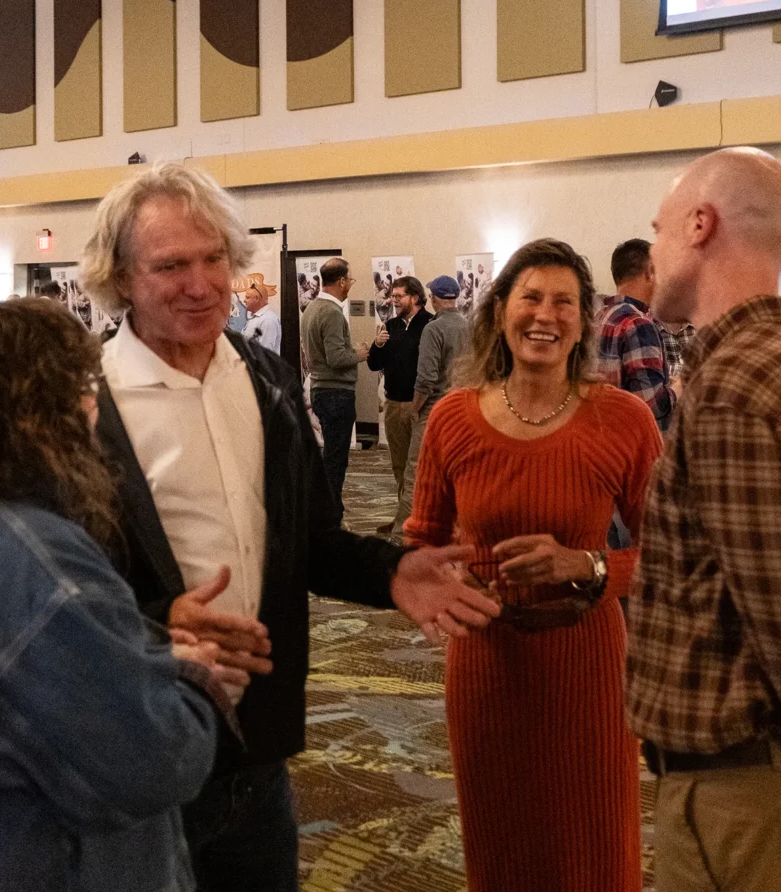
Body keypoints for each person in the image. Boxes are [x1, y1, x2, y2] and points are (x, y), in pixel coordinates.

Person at [79, 162, 500, 892]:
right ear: (120, 277)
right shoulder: (82, 406)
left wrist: (390, 571)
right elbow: (40, 598)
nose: (202, 283)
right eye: (172, 264)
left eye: (214, 259)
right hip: (138, 757)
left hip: (260, 753)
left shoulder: (265, 379)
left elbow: (306, 540)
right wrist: (154, 626)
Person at [405, 240, 662, 892]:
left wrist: (589, 564)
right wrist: (447, 581)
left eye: (563, 302)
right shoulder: (452, 420)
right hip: (488, 669)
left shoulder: (624, 419)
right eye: (530, 298)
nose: (544, 315)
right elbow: (421, 542)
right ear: (500, 312)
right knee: (503, 852)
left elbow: (675, 558)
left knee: (596, 851)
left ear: (584, 321)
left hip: (589, 667)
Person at [0, 298, 239, 892]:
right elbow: (151, 762)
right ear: (42, 409)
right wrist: (190, 675)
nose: (95, 408)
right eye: (83, 387)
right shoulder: (37, 560)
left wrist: (144, 633)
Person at [627, 147, 781, 892]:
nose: (651, 254)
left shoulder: (730, 386)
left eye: (658, 231)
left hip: (741, 791)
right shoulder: (770, 358)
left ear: (700, 224)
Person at [392, 274, 470, 542]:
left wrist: (415, 408)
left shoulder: (433, 329)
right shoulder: (469, 327)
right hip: (464, 410)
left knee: (416, 472)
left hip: (436, 410)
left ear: (435, 298)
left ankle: (401, 535)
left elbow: (426, 378)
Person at [300, 257, 370, 521]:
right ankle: (330, 511)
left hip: (321, 388)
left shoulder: (311, 308)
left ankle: (327, 507)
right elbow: (336, 358)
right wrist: (359, 354)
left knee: (330, 453)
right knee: (335, 457)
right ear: (341, 281)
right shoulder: (331, 312)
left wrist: (348, 352)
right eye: (349, 280)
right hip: (335, 393)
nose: (349, 285)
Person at [367, 275, 433, 530]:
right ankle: (403, 518)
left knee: (418, 469)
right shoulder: (390, 325)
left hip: (421, 406)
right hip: (394, 404)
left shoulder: (430, 324)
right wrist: (377, 345)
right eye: (392, 296)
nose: (393, 300)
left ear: (415, 297)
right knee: (399, 465)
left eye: (398, 296)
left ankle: (418, 521)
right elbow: (374, 364)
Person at [596, 238, 679, 432]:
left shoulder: (599, 316)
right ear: (650, 272)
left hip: (602, 438)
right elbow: (652, 405)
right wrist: (680, 387)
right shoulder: (638, 323)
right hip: (633, 445)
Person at [241, 282, 282, 353]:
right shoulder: (255, 317)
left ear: (256, 299)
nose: (244, 300)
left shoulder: (268, 320)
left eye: (247, 297)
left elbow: (265, 355)